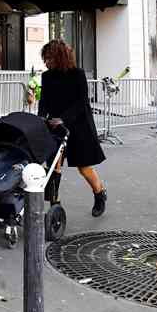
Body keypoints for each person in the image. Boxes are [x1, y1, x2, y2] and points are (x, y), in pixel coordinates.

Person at [38, 39, 108, 217]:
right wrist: (41, 118)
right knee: (54, 166)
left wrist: (64, 119)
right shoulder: (46, 76)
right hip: (55, 125)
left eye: (49, 58)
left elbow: (82, 102)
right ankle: (55, 205)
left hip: (78, 125)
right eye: (45, 59)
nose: (46, 62)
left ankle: (99, 193)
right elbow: (44, 100)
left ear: (60, 57)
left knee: (84, 168)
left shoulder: (77, 74)